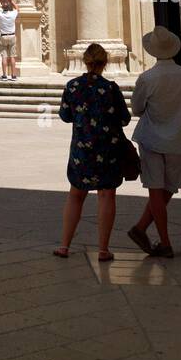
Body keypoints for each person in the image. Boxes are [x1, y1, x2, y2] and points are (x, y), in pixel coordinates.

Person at [55, 43, 131, 262]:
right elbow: (124, 119)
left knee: (76, 194)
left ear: (85, 61)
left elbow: (65, 116)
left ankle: (64, 246)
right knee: (106, 195)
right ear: (104, 63)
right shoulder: (110, 88)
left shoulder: (72, 86)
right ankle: (103, 250)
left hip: (81, 149)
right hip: (108, 149)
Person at [127, 26, 181, 258]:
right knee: (170, 188)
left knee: (156, 189)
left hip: (151, 138)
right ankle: (152, 236)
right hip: (177, 139)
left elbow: (137, 108)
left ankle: (149, 234)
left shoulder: (147, 78)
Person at [0, 0, 19, 79]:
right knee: (12, 56)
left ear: (2, 7)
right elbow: (17, 8)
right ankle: (13, 75)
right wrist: (11, 1)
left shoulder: (0, 14)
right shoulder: (12, 14)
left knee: (4, 56)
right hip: (12, 36)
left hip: (3, 37)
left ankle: (4, 75)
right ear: (9, 7)